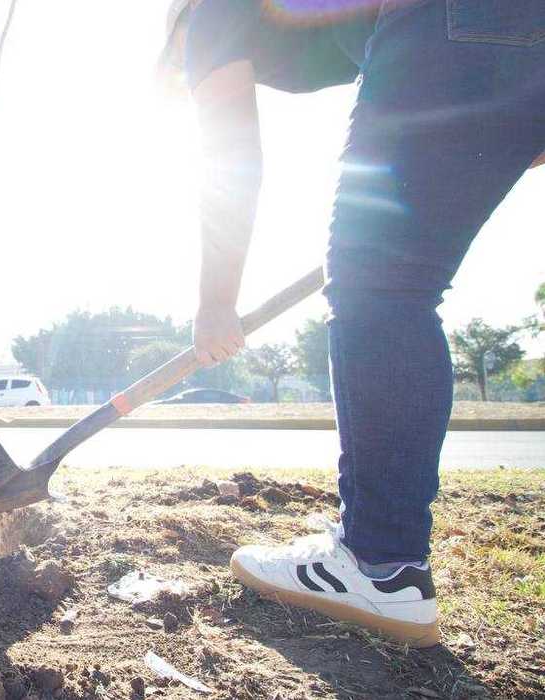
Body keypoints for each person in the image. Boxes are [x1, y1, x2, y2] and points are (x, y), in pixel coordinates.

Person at [159, 0, 545, 647]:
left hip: (453, 19)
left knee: (381, 290)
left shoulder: (205, 14)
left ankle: (378, 564)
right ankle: (381, 556)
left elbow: (230, 161)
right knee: (393, 286)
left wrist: (216, 302)